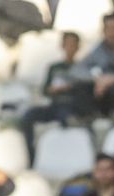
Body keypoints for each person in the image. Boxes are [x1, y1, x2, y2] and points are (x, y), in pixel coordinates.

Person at [17, 31, 93, 159]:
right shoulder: (54, 68)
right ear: (62, 46)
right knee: (29, 115)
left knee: (66, 117)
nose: (70, 47)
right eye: (67, 44)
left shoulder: (83, 67)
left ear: (78, 47)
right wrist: (53, 90)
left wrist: (72, 87)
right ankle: (31, 155)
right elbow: (44, 91)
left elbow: (88, 91)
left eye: (73, 44)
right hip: (55, 105)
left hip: (73, 106)